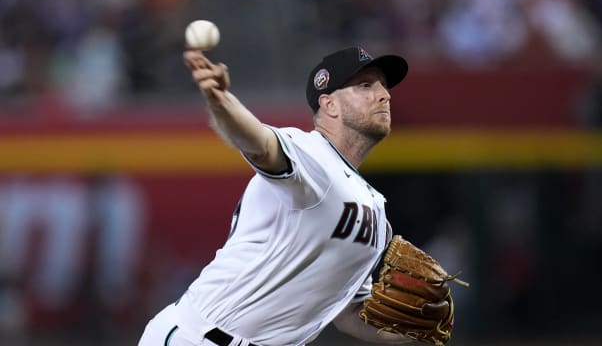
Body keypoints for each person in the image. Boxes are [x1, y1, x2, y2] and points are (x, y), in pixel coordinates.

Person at [139, 46, 411, 345]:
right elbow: (260, 145)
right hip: (200, 338)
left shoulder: (376, 211)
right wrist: (221, 102)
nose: (384, 94)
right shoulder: (311, 152)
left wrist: (413, 332)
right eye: (365, 85)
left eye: (384, 86)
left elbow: (347, 312)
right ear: (329, 104)